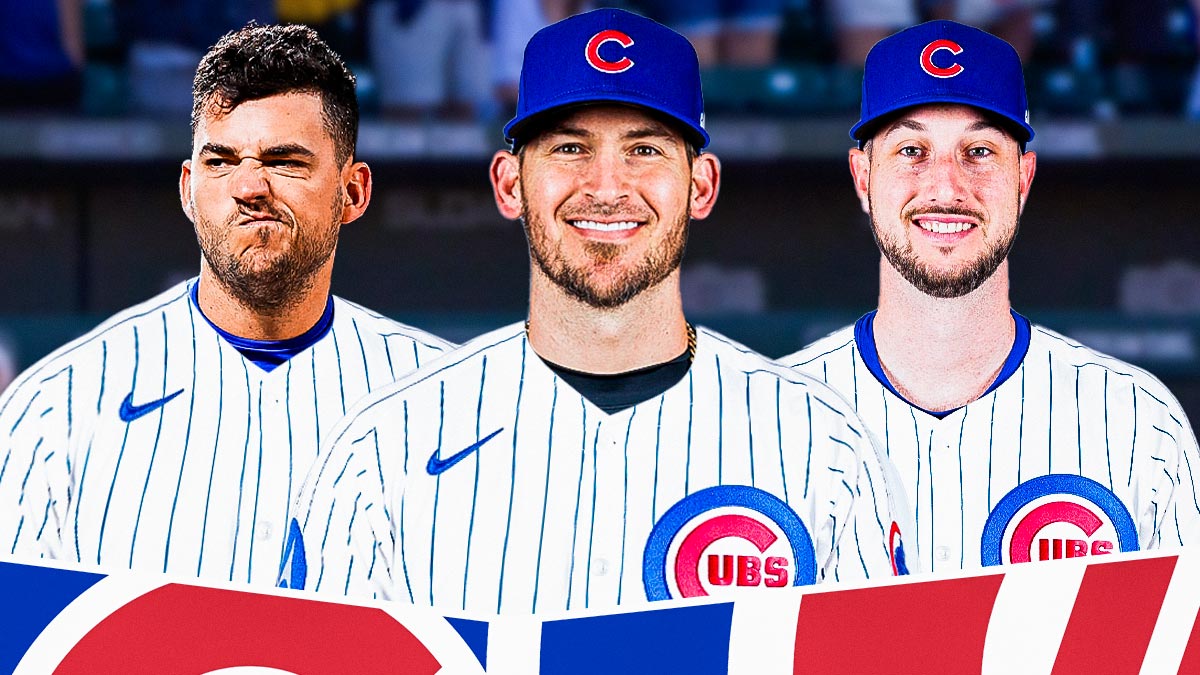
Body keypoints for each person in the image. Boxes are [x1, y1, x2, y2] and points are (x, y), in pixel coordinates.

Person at [279, 8, 907, 613]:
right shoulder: (384, 446)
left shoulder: (821, 442)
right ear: (508, 184)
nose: (607, 188)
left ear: (701, 185)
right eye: (570, 148)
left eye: (645, 150)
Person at [0, 23, 451, 586]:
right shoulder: (57, 406)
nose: (249, 185)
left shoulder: (445, 403)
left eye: (285, 161)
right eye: (221, 161)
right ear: (188, 189)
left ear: (353, 192)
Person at [781, 20, 1200, 573]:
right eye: (912, 150)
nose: (947, 187)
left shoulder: (1137, 423)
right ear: (863, 178)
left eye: (978, 151)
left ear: (1023, 178)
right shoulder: (774, 422)